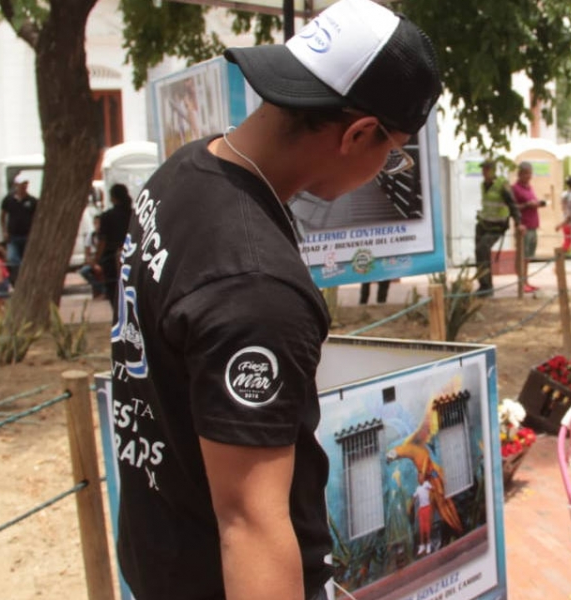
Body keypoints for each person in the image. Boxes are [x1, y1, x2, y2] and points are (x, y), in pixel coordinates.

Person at [108, 1, 442, 599]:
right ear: (359, 133)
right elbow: (251, 525)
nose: (386, 164)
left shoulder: (184, 171)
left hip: (156, 552)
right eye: (391, 150)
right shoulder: (255, 285)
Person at [474, 160, 522, 295]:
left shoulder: (502, 185)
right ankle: (484, 285)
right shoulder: (484, 184)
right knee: (479, 253)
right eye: (483, 169)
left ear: (493, 170)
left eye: (487, 169)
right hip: (483, 224)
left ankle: (487, 287)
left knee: (482, 248)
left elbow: (512, 204)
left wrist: (518, 223)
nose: (484, 172)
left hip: (497, 226)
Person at [97, 183, 131, 323]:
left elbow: (102, 240)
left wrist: (97, 258)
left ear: (113, 198)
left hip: (111, 256)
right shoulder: (133, 214)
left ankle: (118, 316)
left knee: (113, 288)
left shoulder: (107, 216)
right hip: (131, 255)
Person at [511, 161, 546, 292]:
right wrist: (526, 205)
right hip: (523, 227)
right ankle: (521, 283)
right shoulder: (515, 188)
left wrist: (537, 203)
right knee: (522, 256)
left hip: (533, 226)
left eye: (530, 173)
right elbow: (513, 207)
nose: (528, 176)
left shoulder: (530, 187)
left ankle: (526, 281)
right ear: (520, 173)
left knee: (528, 257)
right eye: (525, 173)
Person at [0, 171, 37, 284]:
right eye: (21, 184)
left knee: (27, 260)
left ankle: (26, 280)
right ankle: (17, 279)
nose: (23, 187)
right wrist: (4, 231)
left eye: (25, 184)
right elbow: (3, 216)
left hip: (27, 235)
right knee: (12, 258)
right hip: (13, 235)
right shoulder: (9, 200)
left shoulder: (32, 201)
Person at [79, 216, 105, 300]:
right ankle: (100, 289)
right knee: (84, 271)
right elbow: (87, 254)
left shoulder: (105, 235)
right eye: (95, 223)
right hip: (94, 262)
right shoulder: (91, 236)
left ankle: (105, 292)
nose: (97, 225)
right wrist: (94, 265)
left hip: (104, 260)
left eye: (99, 223)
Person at [414, 478, 434, 556]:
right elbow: (414, 497)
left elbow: (433, 490)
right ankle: (422, 545)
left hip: (427, 507)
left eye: (421, 476)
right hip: (421, 509)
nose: (420, 478)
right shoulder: (418, 488)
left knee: (427, 527)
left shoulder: (426, 484)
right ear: (418, 480)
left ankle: (428, 544)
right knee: (421, 528)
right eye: (419, 477)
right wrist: (409, 507)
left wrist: (431, 500)